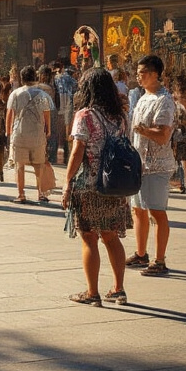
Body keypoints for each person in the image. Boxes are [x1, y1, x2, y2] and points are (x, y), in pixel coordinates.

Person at [60, 68, 133, 307]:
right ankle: (119, 290)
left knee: (89, 238)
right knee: (111, 238)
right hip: (114, 185)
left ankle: (92, 293)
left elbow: (77, 151)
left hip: (89, 185)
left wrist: (67, 182)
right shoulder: (120, 116)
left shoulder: (85, 115)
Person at [127, 55, 177, 277]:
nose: (140, 76)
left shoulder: (164, 100)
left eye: (144, 72)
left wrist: (143, 131)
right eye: (138, 72)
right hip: (139, 163)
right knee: (138, 210)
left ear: (156, 74)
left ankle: (159, 259)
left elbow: (163, 134)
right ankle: (141, 253)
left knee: (157, 212)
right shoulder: (142, 97)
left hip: (157, 165)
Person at [7, 67, 54, 204]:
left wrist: (9, 131)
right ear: (36, 78)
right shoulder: (43, 95)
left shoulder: (15, 94)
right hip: (38, 134)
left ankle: (21, 194)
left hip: (20, 134)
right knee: (39, 165)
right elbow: (47, 114)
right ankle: (40, 193)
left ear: (22, 79)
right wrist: (48, 131)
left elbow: (10, 114)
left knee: (19, 166)